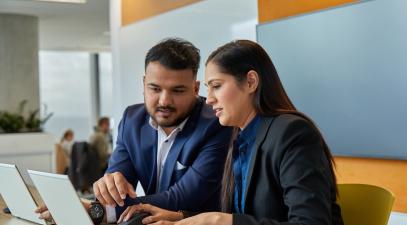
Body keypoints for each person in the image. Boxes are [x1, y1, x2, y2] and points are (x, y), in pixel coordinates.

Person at [119, 40, 344, 225]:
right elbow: (244, 215)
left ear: (250, 82)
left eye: (216, 86)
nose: (209, 99)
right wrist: (181, 218)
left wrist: (219, 220)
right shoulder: (239, 137)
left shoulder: (292, 133)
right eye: (208, 89)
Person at [90, 38, 232, 223]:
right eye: (155, 88)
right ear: (143, 84)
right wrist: (107, 192)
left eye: (178, 90)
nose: (164, 101)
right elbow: (116, 190)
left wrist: (99, 210)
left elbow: (180, 198)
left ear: (195, 89)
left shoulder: (217, 124)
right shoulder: (132, 120)